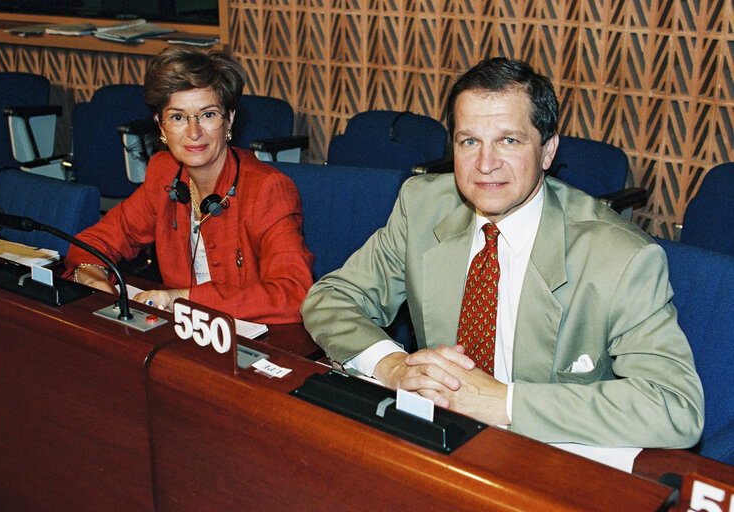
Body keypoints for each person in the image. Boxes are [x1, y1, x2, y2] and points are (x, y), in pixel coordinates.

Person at [301, 57, 704, 448]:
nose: (485, 164)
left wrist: (504, 402)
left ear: (547, 151)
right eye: (469, 141)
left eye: (508, 141)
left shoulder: (619, 256)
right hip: (438, 441)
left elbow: (675, 406)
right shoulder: (422, 206)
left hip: (545, 457)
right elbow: (330, 299)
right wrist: (393, 367)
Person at [65, 47, 314, 324]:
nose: (194, 132)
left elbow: (293, 293)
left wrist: (181, 299)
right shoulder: (164, 173)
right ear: (161, 126)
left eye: (207, 115)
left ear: (229, 119)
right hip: (183, 336)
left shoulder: (268, 189)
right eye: (178, 117)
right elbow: (96, 240)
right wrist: (90, 273)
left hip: (255, 341)